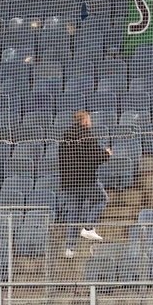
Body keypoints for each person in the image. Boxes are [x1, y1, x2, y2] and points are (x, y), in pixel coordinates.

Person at [58, 110, 111, 259]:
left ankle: (70, 248)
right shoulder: (87, 134)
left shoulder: (65, 136)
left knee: (73, 213)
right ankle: (89, 227)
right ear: (86, 121)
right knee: (102, 199)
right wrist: (106, 153)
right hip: (85, 180)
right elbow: (94, 156)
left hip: (69, 183)